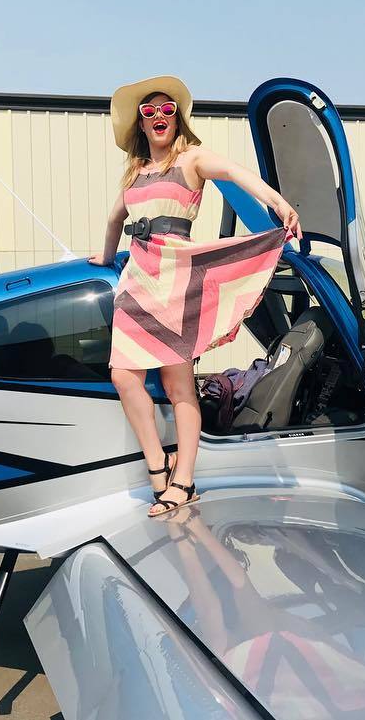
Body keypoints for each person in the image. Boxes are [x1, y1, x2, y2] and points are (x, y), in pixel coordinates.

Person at [88, 75, 302, 517]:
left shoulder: (191, 159)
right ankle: (157, 467)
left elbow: (237, 174)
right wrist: (106, 257)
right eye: (149, 111)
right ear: (140, 124)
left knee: (178, 386)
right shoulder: (135, 172)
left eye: (167, 110)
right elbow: (114, 219)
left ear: (177, 119)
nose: (159, 116)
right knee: (124, 377)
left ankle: (183, 481)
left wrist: (279, 204)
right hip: (137, 282)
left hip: (176, 283)